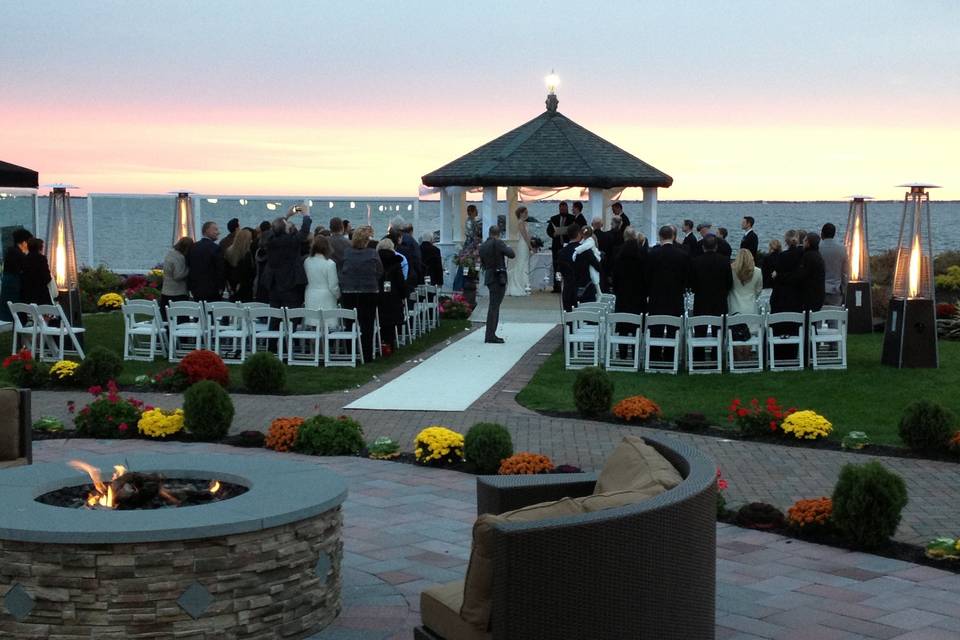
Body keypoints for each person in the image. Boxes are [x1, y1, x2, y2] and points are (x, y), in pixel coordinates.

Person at [340, 228, 383, 362]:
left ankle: (350, 351)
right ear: (366, 241)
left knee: (350, 322)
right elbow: (380, 271)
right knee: (367, 323)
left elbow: (342, 270)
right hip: (369, 292)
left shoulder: (347, 253)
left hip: (349, 292)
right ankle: (367, 354)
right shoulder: (372, 253)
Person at [261, 206, 312, 309]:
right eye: (288, 225)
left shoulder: (270, 241)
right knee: (292, 314)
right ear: (285, 229)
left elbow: (272, 230)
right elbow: (304, 232)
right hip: (290, 283)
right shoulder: (291, 241)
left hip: (273, 283)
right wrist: (306, 215)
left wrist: (286, 216)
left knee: (275, 315)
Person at [478, 225, 514, 344]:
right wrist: (507, 246)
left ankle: (490, 333)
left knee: (493, 305)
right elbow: (511, 254)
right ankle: (490, 334)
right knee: (494, 306)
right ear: (499, 234)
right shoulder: (498, 243)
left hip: (489, 275)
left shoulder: (483, 246)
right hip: (499, 277)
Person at [727, 249, 763, 360]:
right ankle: (746, 359)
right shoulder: (757, 271)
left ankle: (737, 360)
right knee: (749, 335)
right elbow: (759, 290)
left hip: (734, 305)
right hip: (750, 306)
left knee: (735, 334)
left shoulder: (731, 270)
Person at [778, 232, 826, 313]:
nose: (803, 242)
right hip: (818, 295)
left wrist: (781, 276)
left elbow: (800, 275)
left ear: (808, 242)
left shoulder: (808, 257)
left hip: (810, 297)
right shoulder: (817, 255)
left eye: (804, 240)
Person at [546, 201, 586, 292]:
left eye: (564, 209)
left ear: (567, 209)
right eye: (561, 209)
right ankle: (557, 286)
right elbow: (548, 231)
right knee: (556, 265)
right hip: (556, 245)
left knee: (568, 265)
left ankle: (567, 285)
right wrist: (553, 234)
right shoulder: (554, 218)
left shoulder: (572, 218)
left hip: (568, 245)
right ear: (559, 209)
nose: (563, 210)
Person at [690, 235, 733, 317]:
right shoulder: (725, 261)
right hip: (720, 302)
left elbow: (692, 283)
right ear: (716, 247)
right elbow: (729, 282)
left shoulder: (695, 262)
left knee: (700, 327)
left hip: (701, 301)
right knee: (718, 329)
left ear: (703, 247)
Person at [303, 235, 341, 329]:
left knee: (313, 323)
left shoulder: (307, 261)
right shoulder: (330, 264)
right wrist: (338, 295)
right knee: (327, 324)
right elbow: (333, 285)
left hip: (310, 293)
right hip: (326, 296)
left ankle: (313, 343)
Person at [376, 237, 406, 347]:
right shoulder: (396, 262)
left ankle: (381, 341)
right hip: (393, 296)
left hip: (378, 294)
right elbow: (400, 282)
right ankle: (389, 343)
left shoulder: (375, 260)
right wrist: (403, 294)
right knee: (391, 322)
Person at [187, 221, 225, 302]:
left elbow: (189, 266)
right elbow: (220, 270)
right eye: (215, 229)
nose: (218, 232)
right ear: (206, 231)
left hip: (196, 290)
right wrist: (221, 287)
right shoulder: (216, 248)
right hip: (212, 290)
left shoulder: (193, 247)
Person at [0, 228, 32, 321]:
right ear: (24, 242)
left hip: (9, 290)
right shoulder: (19, 255)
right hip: (15, 291)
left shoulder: (11, 252)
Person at [770, 230, 803, 314]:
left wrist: (777, 275)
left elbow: (777, 274)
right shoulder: (803, 255)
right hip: (798, 296)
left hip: (781, 296)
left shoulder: (782, 256)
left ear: (785, 240)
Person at [160, 236, 193, 315]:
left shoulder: (170, 254)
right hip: (177, 293)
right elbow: (178, 275)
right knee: (180, 318)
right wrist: (189, 269)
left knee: (166, 317)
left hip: (165, 291)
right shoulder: (180, 258)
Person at [506, 206, 531, 296]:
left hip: (524, 244)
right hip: (523, 245)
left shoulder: (524, 223)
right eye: (525, 213)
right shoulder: (521, 223)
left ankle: (524, 284)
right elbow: (525, 236)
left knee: (523, 263)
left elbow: (528, 235)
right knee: (521, 264)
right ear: (520, 213)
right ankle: (519, 285)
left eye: (527, 212)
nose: (526, 214)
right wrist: (530, 246)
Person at [819, 223, 847, 306]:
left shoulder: (818, 247)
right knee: (834, 316)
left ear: (822, 234)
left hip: (820, 289)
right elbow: (845, 271)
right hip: (836, 289)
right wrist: (844, 287)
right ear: (834, 234)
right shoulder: (842, 249)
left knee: (818, 316)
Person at [224, 228, 256, 302]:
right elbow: (248, 274)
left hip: (232, 288)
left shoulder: (229, 252)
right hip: (245, 290)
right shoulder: (247, 255)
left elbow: (225, 271)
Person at [20, 238, 53, 306]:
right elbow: (47, 278)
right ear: (39, 248)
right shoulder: (41, 259)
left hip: (27, 296)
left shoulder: (24, 259)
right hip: (41, 296)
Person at [573, 226, 602, 302]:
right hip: (592, 263)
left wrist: (576, 251)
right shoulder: (588, 241)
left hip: (592, 263)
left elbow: (582, 248)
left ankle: (599, 292)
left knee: (593, 275)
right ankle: (598, 292)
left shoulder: (588, 243)